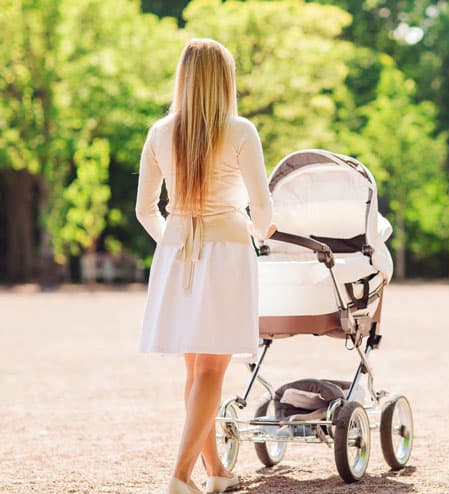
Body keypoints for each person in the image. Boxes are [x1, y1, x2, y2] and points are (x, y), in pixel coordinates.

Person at [135, 38, 275, 494]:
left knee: (196, 372)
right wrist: (260, 233)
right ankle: (180, 475)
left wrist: (175, 245)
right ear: (226, 81)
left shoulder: (159, 132)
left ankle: (216, 473)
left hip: (178, 254)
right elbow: (264, 213)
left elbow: (145, 210)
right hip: (227, 254)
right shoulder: (240, 131)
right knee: (212, 371)